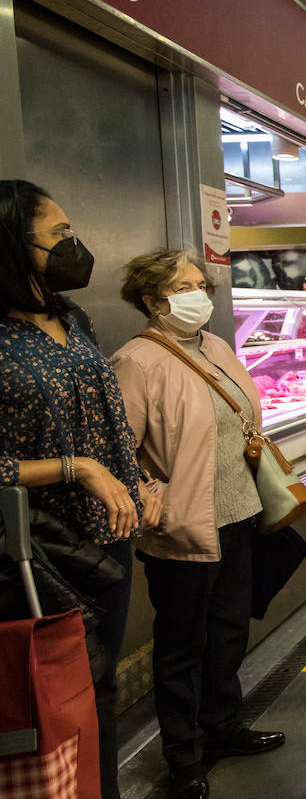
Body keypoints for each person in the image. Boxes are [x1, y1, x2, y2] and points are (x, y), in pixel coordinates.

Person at [0, 180, 159, 799]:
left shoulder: (74, 317)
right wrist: (78, 468)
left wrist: (132, 477)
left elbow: (106, 412)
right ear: (15, 244)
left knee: (98, 686)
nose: (75, 246)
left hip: (104, 537)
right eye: (60, 235)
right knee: (44, 695)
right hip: (33, 548)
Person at [112, 250, 285, 799]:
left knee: (230, 630)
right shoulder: (135, 362)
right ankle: (183, 757)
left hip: (238, 514)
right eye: (183, 286)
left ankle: (224, 727)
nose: (198, 294)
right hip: (185, 528)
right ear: (151, 300)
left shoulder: (215, 347)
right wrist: (154, 498)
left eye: (199, 283)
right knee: (182, 645)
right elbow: (121, 453)